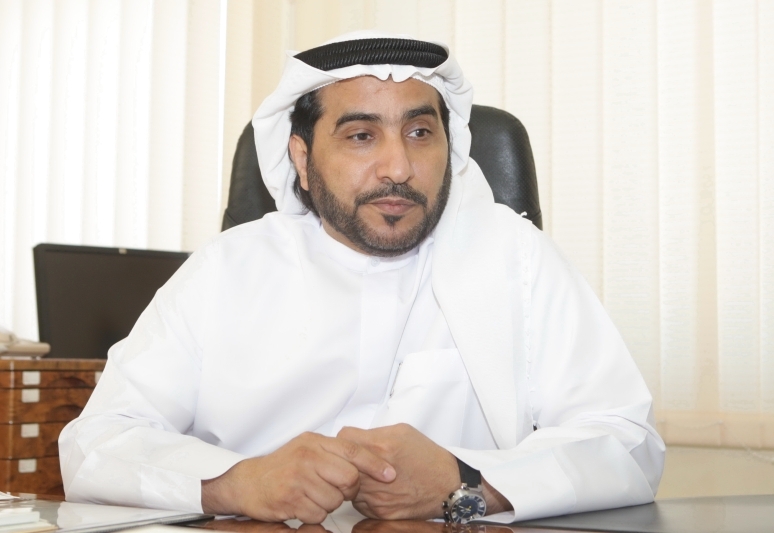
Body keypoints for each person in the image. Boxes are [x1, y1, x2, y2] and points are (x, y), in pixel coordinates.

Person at [59, 30, 665, 525]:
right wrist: (235, 482)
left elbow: (628, 441)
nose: (398, 166)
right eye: (361, 136)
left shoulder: (517, 260)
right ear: (302, 159)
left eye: (420, 133)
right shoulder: (225, 271)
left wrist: (468, 481)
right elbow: (97, 442)